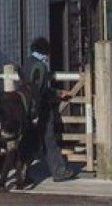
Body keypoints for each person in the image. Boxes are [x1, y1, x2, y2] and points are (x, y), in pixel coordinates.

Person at [25, 36, 77, 182]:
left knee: (29, 141)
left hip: (25, 108)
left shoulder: (27, 63)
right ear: (45, 52)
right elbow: (41, 90)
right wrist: (59, 93)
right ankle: (59, 171)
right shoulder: (40, 67)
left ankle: (24, 173)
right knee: (49, 139)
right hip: (40, 108)